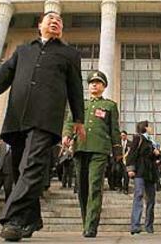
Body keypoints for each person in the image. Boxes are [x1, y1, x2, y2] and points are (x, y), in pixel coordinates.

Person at [0, 10, 85, 241]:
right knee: (20, 169)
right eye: (50, 18)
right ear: (40, 25)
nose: (55, 21)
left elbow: (75, 88)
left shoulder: (69, 54)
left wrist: (79, 118)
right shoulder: (23, 50)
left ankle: (14, 220)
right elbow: (6, 72)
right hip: (18, 116)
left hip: (46, 118)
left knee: (32, 166)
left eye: (59, 20)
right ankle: (33, 218)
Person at [62, 70, 120, 238]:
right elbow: (70, 121)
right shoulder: (80, 104)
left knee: (95, 185)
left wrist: (117, 150)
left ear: (103, 86)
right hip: (80, 148)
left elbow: (114, 129)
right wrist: (66, 135)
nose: (94, 84)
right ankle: (85, 221)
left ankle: (91, 226)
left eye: (98, 82)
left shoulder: (109, 105)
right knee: (82, 187)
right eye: (92, 82)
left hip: (99, 149)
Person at [127, 120, 160, 235]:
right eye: (150, 126)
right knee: (139, 196)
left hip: (151, 173)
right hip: (140, 171)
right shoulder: (138, 138)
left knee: (151, 199)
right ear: (145, 127)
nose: (152, 128)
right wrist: (130, 169)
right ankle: (135, 225)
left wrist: (157, 154)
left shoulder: (152, 141)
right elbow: (132, 153)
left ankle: (149, 225)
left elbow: (156, 157)